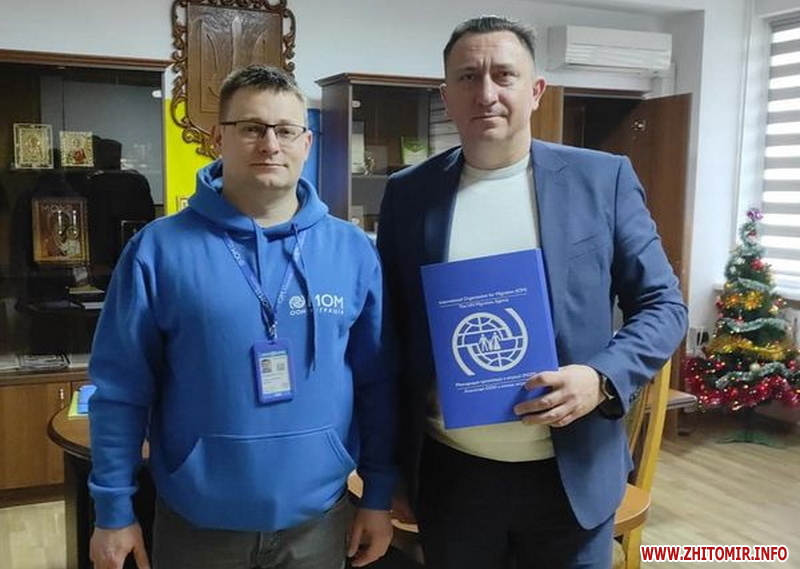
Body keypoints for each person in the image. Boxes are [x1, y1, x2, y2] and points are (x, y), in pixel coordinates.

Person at [376, 15, 688, 569]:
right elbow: (392, 335)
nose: (486, 93)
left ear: (536, 90)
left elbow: (664, 306)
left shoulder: (603, 179)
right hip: (453, 478)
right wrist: (390, 470)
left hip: (571, 477)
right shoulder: (408, 194)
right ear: (446, 96)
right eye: (468, 77)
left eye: (504, 75)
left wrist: (601, 378)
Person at [88, 65, 396, 569]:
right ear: (218, 139)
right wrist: (114, 510)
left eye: (286, 130)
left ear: (306, 143)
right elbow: (121, 391)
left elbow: (377, 384)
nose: (270, 144)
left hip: (320, 522)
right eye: (252, 127)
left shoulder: (353, 251)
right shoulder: (157, 250)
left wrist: (378, 494)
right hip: (197, 524)